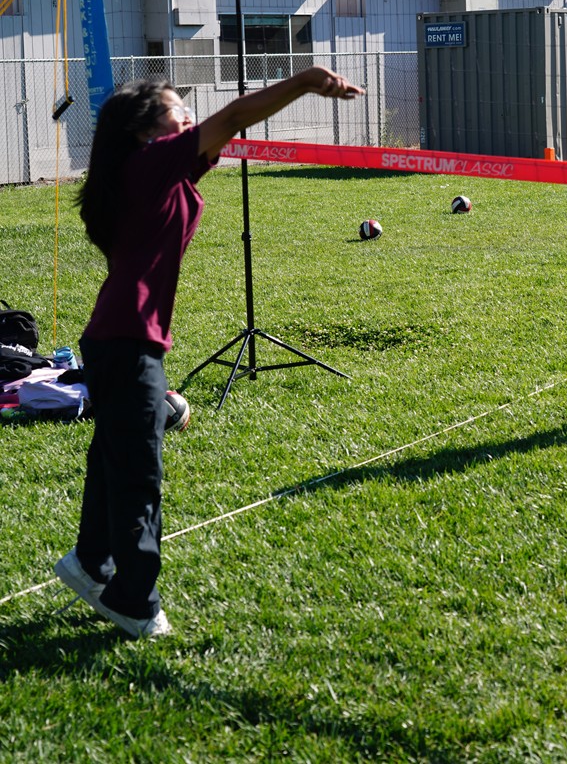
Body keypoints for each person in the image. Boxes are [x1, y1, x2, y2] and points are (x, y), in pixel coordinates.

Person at [54, 66, 363, 638]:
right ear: (149, 132)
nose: (191, 118)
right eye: (178, 110)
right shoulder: (147, 165)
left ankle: (88, 562)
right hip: (125, 344)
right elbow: (235, 117)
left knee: (114, 457)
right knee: (138, 473)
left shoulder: (152, 170)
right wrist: (306, 81)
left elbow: (223, 133)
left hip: (119, 340)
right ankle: (133, 598)